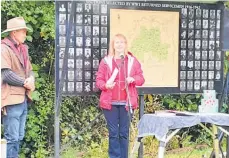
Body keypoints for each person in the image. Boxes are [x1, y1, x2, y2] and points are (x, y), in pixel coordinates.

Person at [96, 34, 145, 158]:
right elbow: (99, 80)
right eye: (117, 42)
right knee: (113, 133)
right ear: (113, 45)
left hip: (126, 103)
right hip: (110, 103)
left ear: (125, 44)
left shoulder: (132, 61)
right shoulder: (106, 61)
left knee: (124, 133)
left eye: (122, 42)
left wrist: (133, 79)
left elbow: (141, 78)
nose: (119, 45)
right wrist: (106, 86)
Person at [1, 17, 35, 158]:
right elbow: (5, 74)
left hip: (22, 100)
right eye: (23, 32)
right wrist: (24, 82)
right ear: (14, 32)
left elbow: (30, 70)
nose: (25, 35)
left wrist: (32, 79)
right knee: (12, 139)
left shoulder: (23, 49)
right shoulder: (3, 48)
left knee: (19, 137)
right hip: (11, 100)